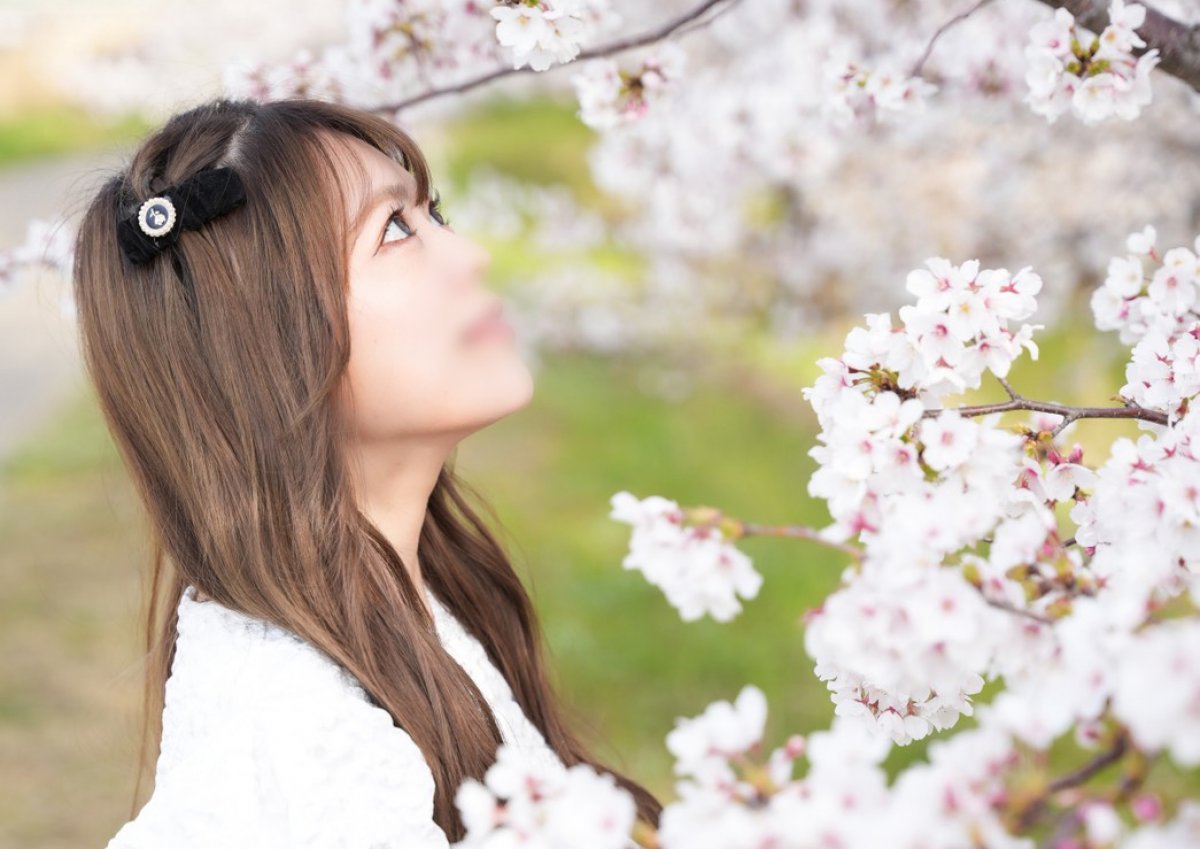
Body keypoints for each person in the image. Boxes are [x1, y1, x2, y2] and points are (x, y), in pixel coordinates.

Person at [72, 95, 662, 847]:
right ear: (264, 345)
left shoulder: (425, 605)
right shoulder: (298, 743)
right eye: (395, 229)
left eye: (432, 213)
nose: (470, 255)